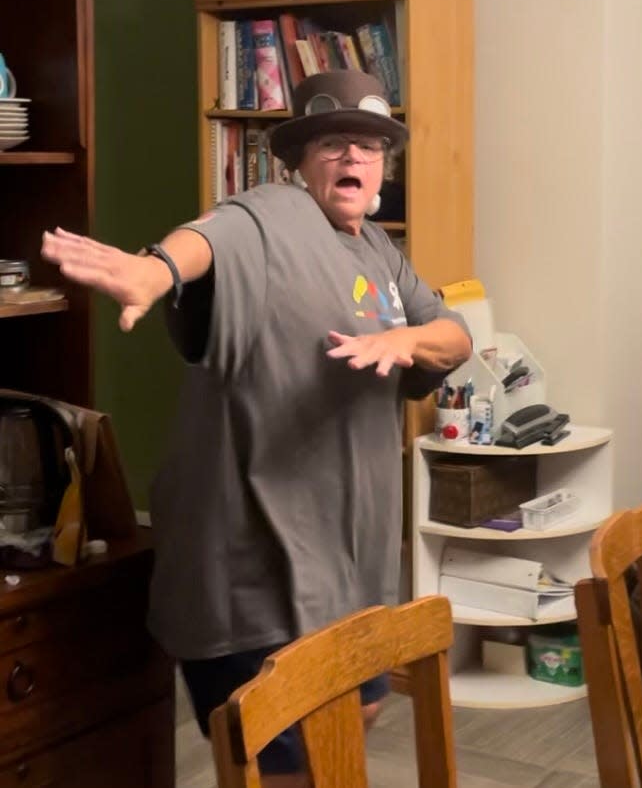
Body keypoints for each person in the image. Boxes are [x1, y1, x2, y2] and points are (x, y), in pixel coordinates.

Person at [42, 69, 471, 787]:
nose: (353, 160)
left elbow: (454, 334)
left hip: (345, 568)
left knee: (356, 715)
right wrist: (154, 272)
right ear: (299, 162)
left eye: (368, 148)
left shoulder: (379, 254)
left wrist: (409, 342)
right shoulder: (272, 214)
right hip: (252, 575)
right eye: (333, 144)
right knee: (284, 764)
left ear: (385, 169)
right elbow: (215, 238)